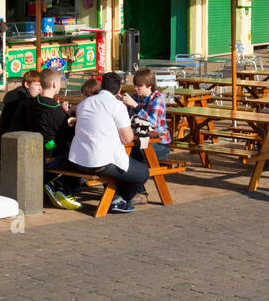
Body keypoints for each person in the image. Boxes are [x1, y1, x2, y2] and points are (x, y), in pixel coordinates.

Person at [68, 74, 147, 213]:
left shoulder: (84, 103)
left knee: (118, 167)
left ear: (102, 86)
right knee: (142, 173)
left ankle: (115, 197)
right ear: (119, 90)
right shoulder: (116, 105)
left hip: (78, 160)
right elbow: (127, 138)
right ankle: (119, 199)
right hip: (100, 162)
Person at [30, 68, 81, 209]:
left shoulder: (33, 103)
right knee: (79, 154)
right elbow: (68, 134)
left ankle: (54, 184)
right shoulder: (55, 109)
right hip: (51, 156)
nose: (60, 85)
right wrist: (72, 121)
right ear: (53, 84)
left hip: (34, 152)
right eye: (59, 82)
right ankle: (62, 186)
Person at [119, 67, 172, 164]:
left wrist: (135, 106)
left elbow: (153, 124)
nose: (135, 88)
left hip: (159, 144)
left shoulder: (158, 98)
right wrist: (121, 104)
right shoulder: (135, 97)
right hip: (140, 141)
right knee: (119, 149)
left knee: (127, 154)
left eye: (139, 86)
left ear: (149, 86)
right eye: (135, 85)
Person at [0, 69, 41, 160]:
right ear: (27, 85)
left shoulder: (16, 96)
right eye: (37, 85)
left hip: (1, 148)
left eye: (42, 85)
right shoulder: (24, 101)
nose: (40, 89)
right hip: (12, 149)